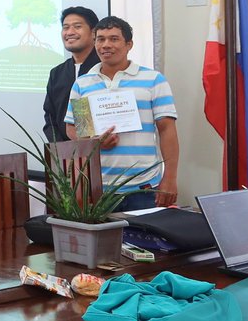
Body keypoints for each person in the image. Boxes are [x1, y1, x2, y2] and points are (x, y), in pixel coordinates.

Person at [65, 15, 179, 209]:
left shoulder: (153, 80)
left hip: (144, 186)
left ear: (129, 45)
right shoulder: (83, 83)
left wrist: (170, 178)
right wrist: (94, 142)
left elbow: (167, 130)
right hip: (99, 188)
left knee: (144, 239)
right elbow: (74, 129)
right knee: (103, 240)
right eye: (100, 39)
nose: (106, 45)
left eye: (114, 39)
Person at [43, 6, 101, 141]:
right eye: (65, 27)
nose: (70, 32)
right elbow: (50, 117)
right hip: (64, 155)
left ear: (94, 33)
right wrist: (61, 150)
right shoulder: (57, 73)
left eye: (77, 26)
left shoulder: (103, 69)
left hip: (101, 151)